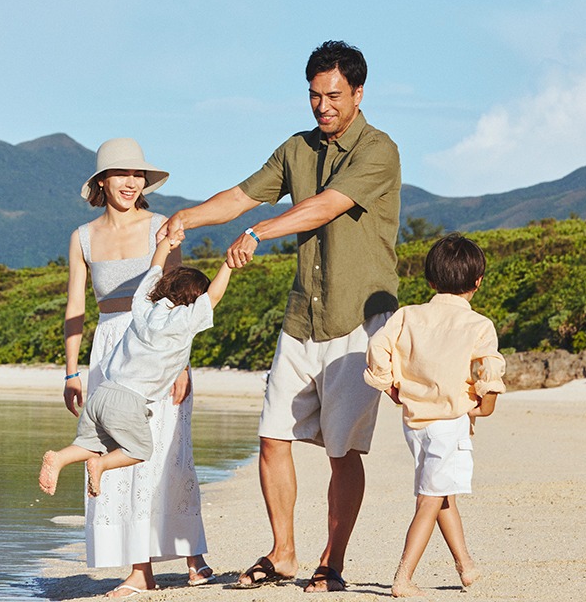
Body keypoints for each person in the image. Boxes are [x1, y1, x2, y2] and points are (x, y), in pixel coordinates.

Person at [162, 40, 400, 592]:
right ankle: (284, 552)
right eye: (315, 96)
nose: (323, 106)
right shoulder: (295, 148)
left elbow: (326, 204)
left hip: (358, 321)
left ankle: (332, 562)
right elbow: (244, 195)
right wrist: (187, 218)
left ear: (359, 93)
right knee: (273, 438)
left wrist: (257, 233)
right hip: (301, 318)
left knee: (343, 452)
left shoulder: (379, 150)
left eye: (334, 96)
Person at [62, 138, 213, 597]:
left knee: (169, 449)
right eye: (122, 174)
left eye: (138, 175)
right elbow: (74, 306)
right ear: (102, 181)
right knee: (122, 452)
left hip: (160, 343)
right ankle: (139, 570)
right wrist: (72, 372)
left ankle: (193, 554)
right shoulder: (83, 237)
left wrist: (183, 364)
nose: (132, 182)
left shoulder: (162, 227)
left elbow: (182, 296)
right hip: (109, 351)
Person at [362, 233, 506, 597]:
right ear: (478, 282)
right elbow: (489, 370)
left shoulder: (407, 316)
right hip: (448, 424)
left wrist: (391, 387)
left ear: (430, 280)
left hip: (414, 424)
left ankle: (465, 566)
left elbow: (378, 346)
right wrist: (483, 406)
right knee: (430, 499)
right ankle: (403, 578)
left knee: (442, 494)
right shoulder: (478, 325)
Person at [40, 231, 232, 501]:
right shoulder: (184, 321)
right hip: (129, 401)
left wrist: (163, 245)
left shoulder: (143, 305)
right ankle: (102, 465)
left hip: (103, 392)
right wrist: (229, 264)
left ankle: (59, 458)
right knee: (141, 450)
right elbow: (214, 297)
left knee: (92, 444)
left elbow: (154, 270)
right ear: (193, 299)